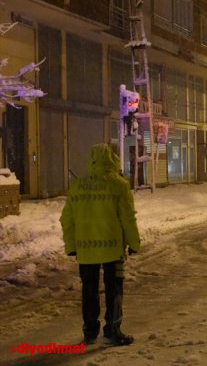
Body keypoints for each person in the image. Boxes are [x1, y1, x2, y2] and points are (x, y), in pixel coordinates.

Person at [60, 143, 140, 346]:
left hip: (86, 250)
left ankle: (89, 331)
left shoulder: (77, 186)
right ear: (111, 160)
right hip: (113, 249)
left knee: (89, 290)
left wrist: (71, 245)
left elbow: (66, 219)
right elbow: (127, 218)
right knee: (114, 290)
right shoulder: (119, 185)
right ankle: (113, 330)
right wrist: (133, 242)